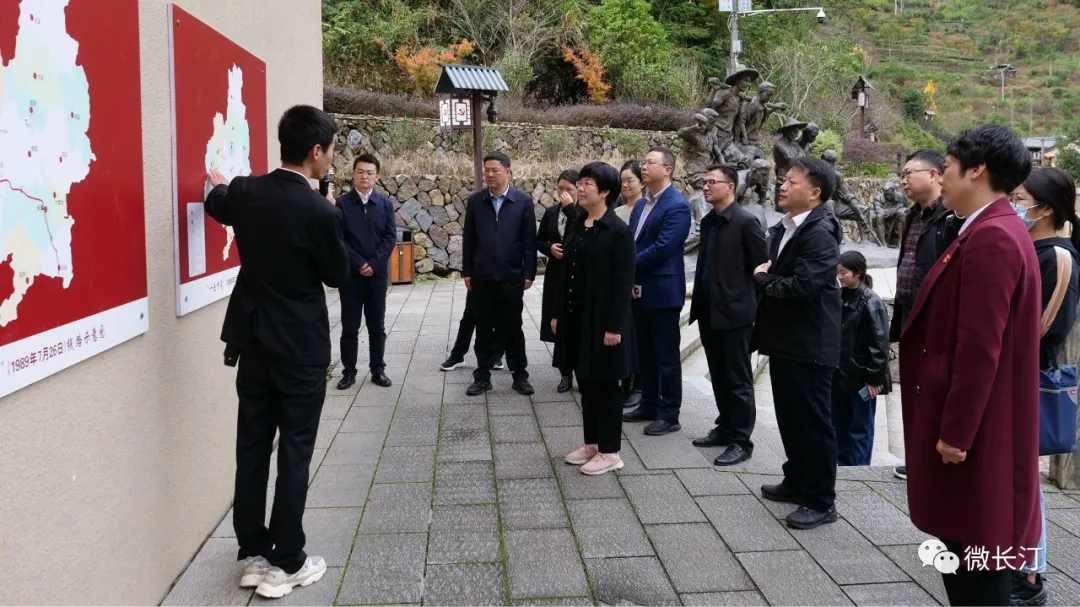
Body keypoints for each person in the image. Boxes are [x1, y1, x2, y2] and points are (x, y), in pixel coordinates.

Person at [203, 105, 347, 598]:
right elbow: (337, 274)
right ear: (315, 150)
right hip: (300, 349)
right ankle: (288, 561)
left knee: (252, 447)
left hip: (253, 344)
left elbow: (219, 202)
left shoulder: (247, 192)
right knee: (295, 452)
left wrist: (219, 185)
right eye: (331, 150)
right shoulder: (320, 211)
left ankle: (254, 552)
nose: (331, 158)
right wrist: (328, 212)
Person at [900, 124, 1040, 606]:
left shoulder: (992, 236)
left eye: (949, 166)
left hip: (973, 434)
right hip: (977, 424)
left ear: (977, 170)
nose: (943, 176)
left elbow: (980, 348)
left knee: (975, 559)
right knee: (968, 550)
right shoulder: (986, 228)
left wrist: (955, 434)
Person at [753, 156, 842, 530]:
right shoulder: (788, 226)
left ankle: (821, 500)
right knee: (791, 418)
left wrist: (763, 281)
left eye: (791, 181)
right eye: (783, 180)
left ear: (815, 192)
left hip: (810, 344)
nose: (782, 186)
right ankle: (796, 480)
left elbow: (803, 286)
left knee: (813, 423)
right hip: (787, 339)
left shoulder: (819, 232)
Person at [1008, 167, 1080, 607]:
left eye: (1019, 199)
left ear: (1046, 208)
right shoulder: (1029, 249)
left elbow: (1050, 330)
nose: (1013, 206)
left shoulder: (1055, 256)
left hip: (1024, 381)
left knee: (1022, 483)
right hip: (1013, 378)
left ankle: (1029, 577)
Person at [553, 162, 637, 475]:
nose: (581, 187)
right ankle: (592, 443)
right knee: (586, 381)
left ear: (605, 192)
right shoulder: (579, 224)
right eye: (581, 182)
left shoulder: (618, 231)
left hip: (604, 321)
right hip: (576, 317)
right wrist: (557, 313)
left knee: (606, 384)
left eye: (588, 183)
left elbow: (623, 283)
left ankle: (610, 451)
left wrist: (614, 327)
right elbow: (566, 273)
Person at [689, 164, 768, 466]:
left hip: (735, 315)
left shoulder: (746, 222)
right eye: (704, 181)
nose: (706, 186)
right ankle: (724, 428)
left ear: (731, 187)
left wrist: (750, 308)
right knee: (719, 376)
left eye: (712, 182)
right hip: (708, 311)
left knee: (738, 379)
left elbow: (761, 269)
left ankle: (741, 440)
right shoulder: (709, 221)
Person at [890, 149, 957, 481]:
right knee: (913, 388)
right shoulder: (911, 215)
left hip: (934, 318)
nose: (903, 181)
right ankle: (917, 456)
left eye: (908, 174)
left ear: (933, 174)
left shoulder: (950, 218)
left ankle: (934, 458)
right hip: (909, 314)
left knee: (933, 388)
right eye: (902, 175)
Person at [622, 147, 692, 435]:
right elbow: (633, 242)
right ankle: (648, 404)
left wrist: (625, 265)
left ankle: (669, 414)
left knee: (666, 357)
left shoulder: (678, 205)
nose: (644, 166)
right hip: (638, 289)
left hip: (663, 291)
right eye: (643, 162)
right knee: (645, 354)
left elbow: (663, 248)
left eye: (650, 162)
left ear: (667, 170)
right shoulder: (641, 204)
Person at [462, 152, 538, 396]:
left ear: (508, 172)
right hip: (482, 276)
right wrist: (467, 271)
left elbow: (529, 240)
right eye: (487, 170)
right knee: (483, 328)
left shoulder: (522, 201)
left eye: (495, 170)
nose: (490, 174)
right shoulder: (476, 202)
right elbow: (469, 240)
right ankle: (482, 376)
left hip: (511, 276)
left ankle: (520, 375)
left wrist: (529, 272)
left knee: (513, 327)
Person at [334, 154, 396, 390]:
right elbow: (339, 238)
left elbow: (390, 237)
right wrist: (359, 263)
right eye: (360, 171)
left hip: (376, 277)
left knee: (377, 325)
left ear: (377, 177)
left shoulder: (385, 204)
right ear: (353, 174)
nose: (365, 176)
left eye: (370, 173)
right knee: (350, 326)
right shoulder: (342, 204)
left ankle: (378, 370)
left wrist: (375, 264)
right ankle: (348, 372)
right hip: (351, 276)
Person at [833, 251, 891, 467]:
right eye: (838, 272)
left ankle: (859, 469)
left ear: (857, 273)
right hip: (840, 373)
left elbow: (879, 345)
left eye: (843, 272)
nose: (839, 277)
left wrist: (873, 379)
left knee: (861, 427)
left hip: (861, 377)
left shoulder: (872, 302)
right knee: (838, 421)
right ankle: (840, 464)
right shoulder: (839, 296)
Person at [537, 170, 582, 393]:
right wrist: (549, 248)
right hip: (556, 272)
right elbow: (539, 240)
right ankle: (565, 373)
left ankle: (581, 370)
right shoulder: (551, 212)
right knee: (558, 321)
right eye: (560, 188)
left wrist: (571, 208)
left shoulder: (583, 212)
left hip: (577, 273)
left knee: (577, 323)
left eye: (569, 189)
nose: (564, 193)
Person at [615, 160, 645, 407]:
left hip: (639, 281)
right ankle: (624, 380)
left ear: (642, 183)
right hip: (618, 282)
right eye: (622, 181)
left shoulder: (647, 210)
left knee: (638, 335)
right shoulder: (616, 213)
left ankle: (639, 384)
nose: (625, 185)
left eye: (630, 180)